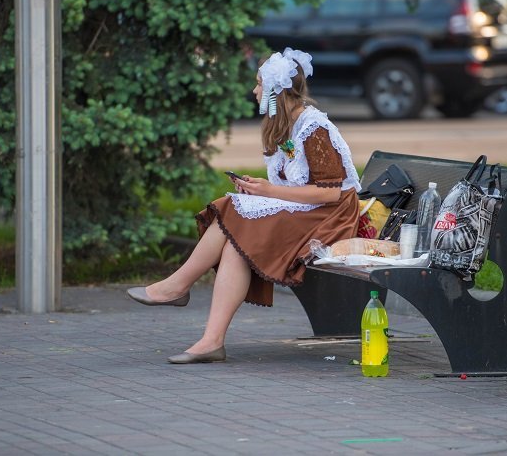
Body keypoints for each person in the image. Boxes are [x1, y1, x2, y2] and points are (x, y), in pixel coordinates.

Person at [127, 48, 361, 364]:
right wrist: (260, 189)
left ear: (276, 90)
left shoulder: (314, 128)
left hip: (330, 217)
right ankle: (210, 340)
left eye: (259, 84)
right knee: (235, 237)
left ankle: (177, 287)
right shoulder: (284, 127)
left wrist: (269, 191)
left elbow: (331, 193)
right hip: (307, 211)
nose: (254, 91)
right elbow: (293, 183)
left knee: (231, 210)